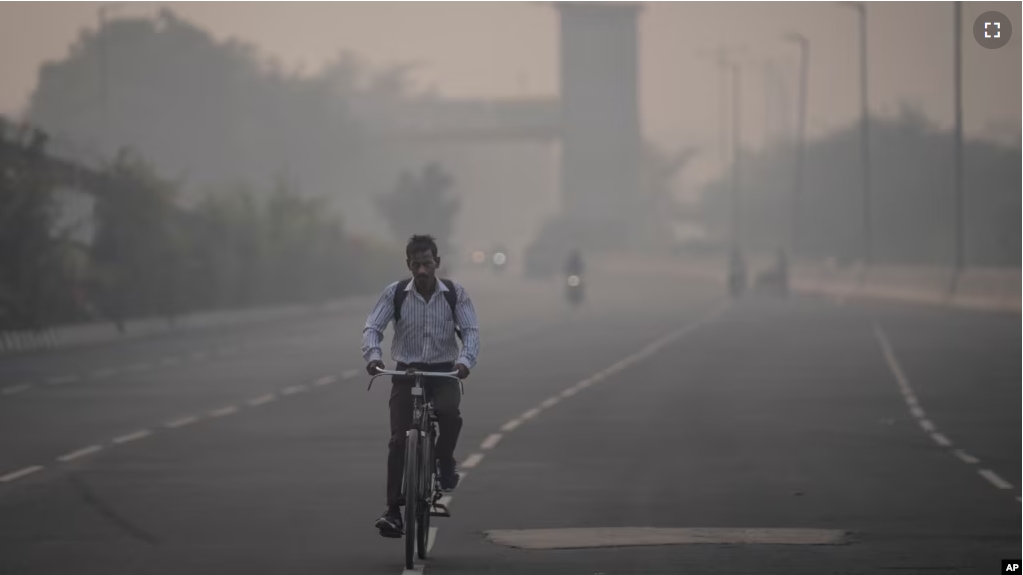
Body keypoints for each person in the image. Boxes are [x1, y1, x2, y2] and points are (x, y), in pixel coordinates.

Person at [362, 234, 480, 538]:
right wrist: (374, 356)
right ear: (409, 265)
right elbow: (373, 327)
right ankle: (392, 511)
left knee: (450, 415)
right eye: (417, 265)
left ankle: (444, 463)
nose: (423, 271)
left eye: (428, 263)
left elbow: (471, 331)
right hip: (407, 373)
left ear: (437, 263)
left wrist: (465, 361)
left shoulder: (455, 294)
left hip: (444, 373)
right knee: (399, 441)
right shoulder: (396, 294)